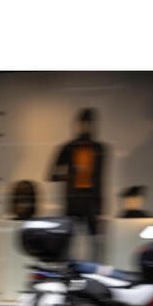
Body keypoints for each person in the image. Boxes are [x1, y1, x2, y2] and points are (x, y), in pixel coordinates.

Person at [48, 108, 107, 260]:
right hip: (73, 200)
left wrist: (100, 208)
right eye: (83, 123)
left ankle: (94, 275)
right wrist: (73, 175)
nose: (86, 127)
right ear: (78, 124)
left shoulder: (98, 149)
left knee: (95, 245)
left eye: (89, 123)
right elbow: (53, 175)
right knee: (68, 243)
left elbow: (101, 179)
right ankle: (68, 273)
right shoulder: (68, 148)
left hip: (90, 200)